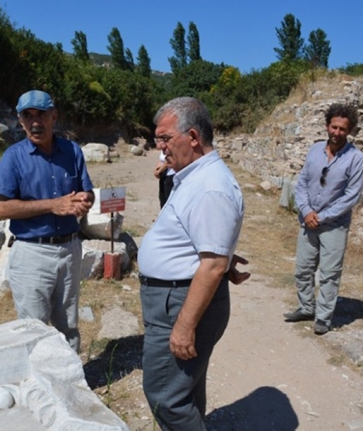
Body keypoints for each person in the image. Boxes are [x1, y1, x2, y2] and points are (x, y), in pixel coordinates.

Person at [137, 97, 246, 431]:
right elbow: (209, 249)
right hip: (174, 298)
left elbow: (212, 265)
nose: (160, 147)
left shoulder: (209, 186)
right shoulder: (193, 176)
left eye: (166, 138)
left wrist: (184, 327)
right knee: (184, 389)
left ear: (194, 137)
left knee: (165, 396)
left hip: (180, 303)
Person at [0, 90, 95, 352]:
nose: (35, 122)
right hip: (32, 252)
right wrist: (53, 205)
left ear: (54, 116)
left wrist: (85, 199)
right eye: (28, 115)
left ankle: (71, 385)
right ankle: (37, 387)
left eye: (41, 114)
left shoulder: (72, 151)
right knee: (32, 328)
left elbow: (88, 192)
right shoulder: (13, 157)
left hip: (70, 249)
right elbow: (3, 208)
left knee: (68, 324)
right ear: (20, 120)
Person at [283, 103, 363, 335]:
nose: (337, 133)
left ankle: (323, 317)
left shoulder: (356, 158)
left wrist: (321, 216)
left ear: (349, 131)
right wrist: (306, 210)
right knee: (303, 268)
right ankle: (306, 307)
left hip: (334, 225)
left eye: (342, 129)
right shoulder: (314, 150)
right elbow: (301, 184)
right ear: (326, 126)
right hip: (308, 220)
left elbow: (351, 196)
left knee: (329, 274)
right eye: (334, 127)